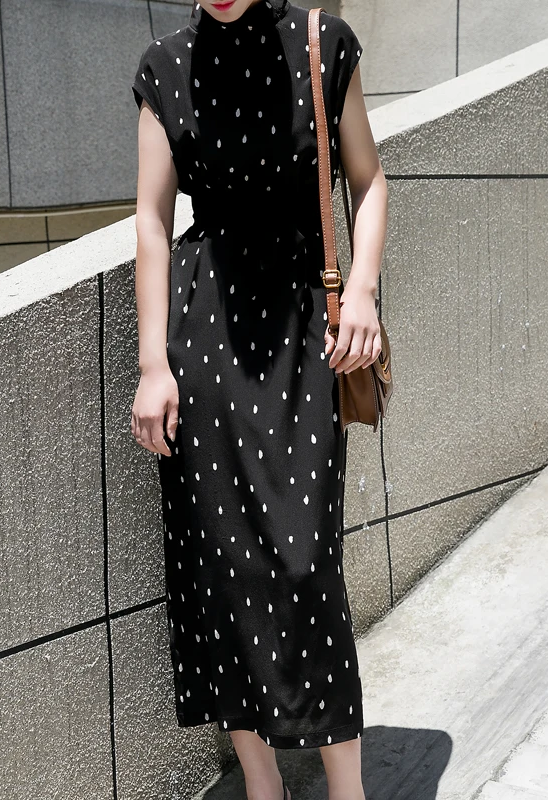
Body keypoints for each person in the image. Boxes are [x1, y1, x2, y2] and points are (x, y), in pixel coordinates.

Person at [130, 0, 388, 796]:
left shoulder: (321, 42)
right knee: (223, 569)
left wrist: (363, 292)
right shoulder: (165, 65)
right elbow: (150, 220)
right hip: (203, 339)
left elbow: (368, 181)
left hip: (304, 328)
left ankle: (347, 787)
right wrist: (151, 364)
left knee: (308, 563)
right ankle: (262, 782)